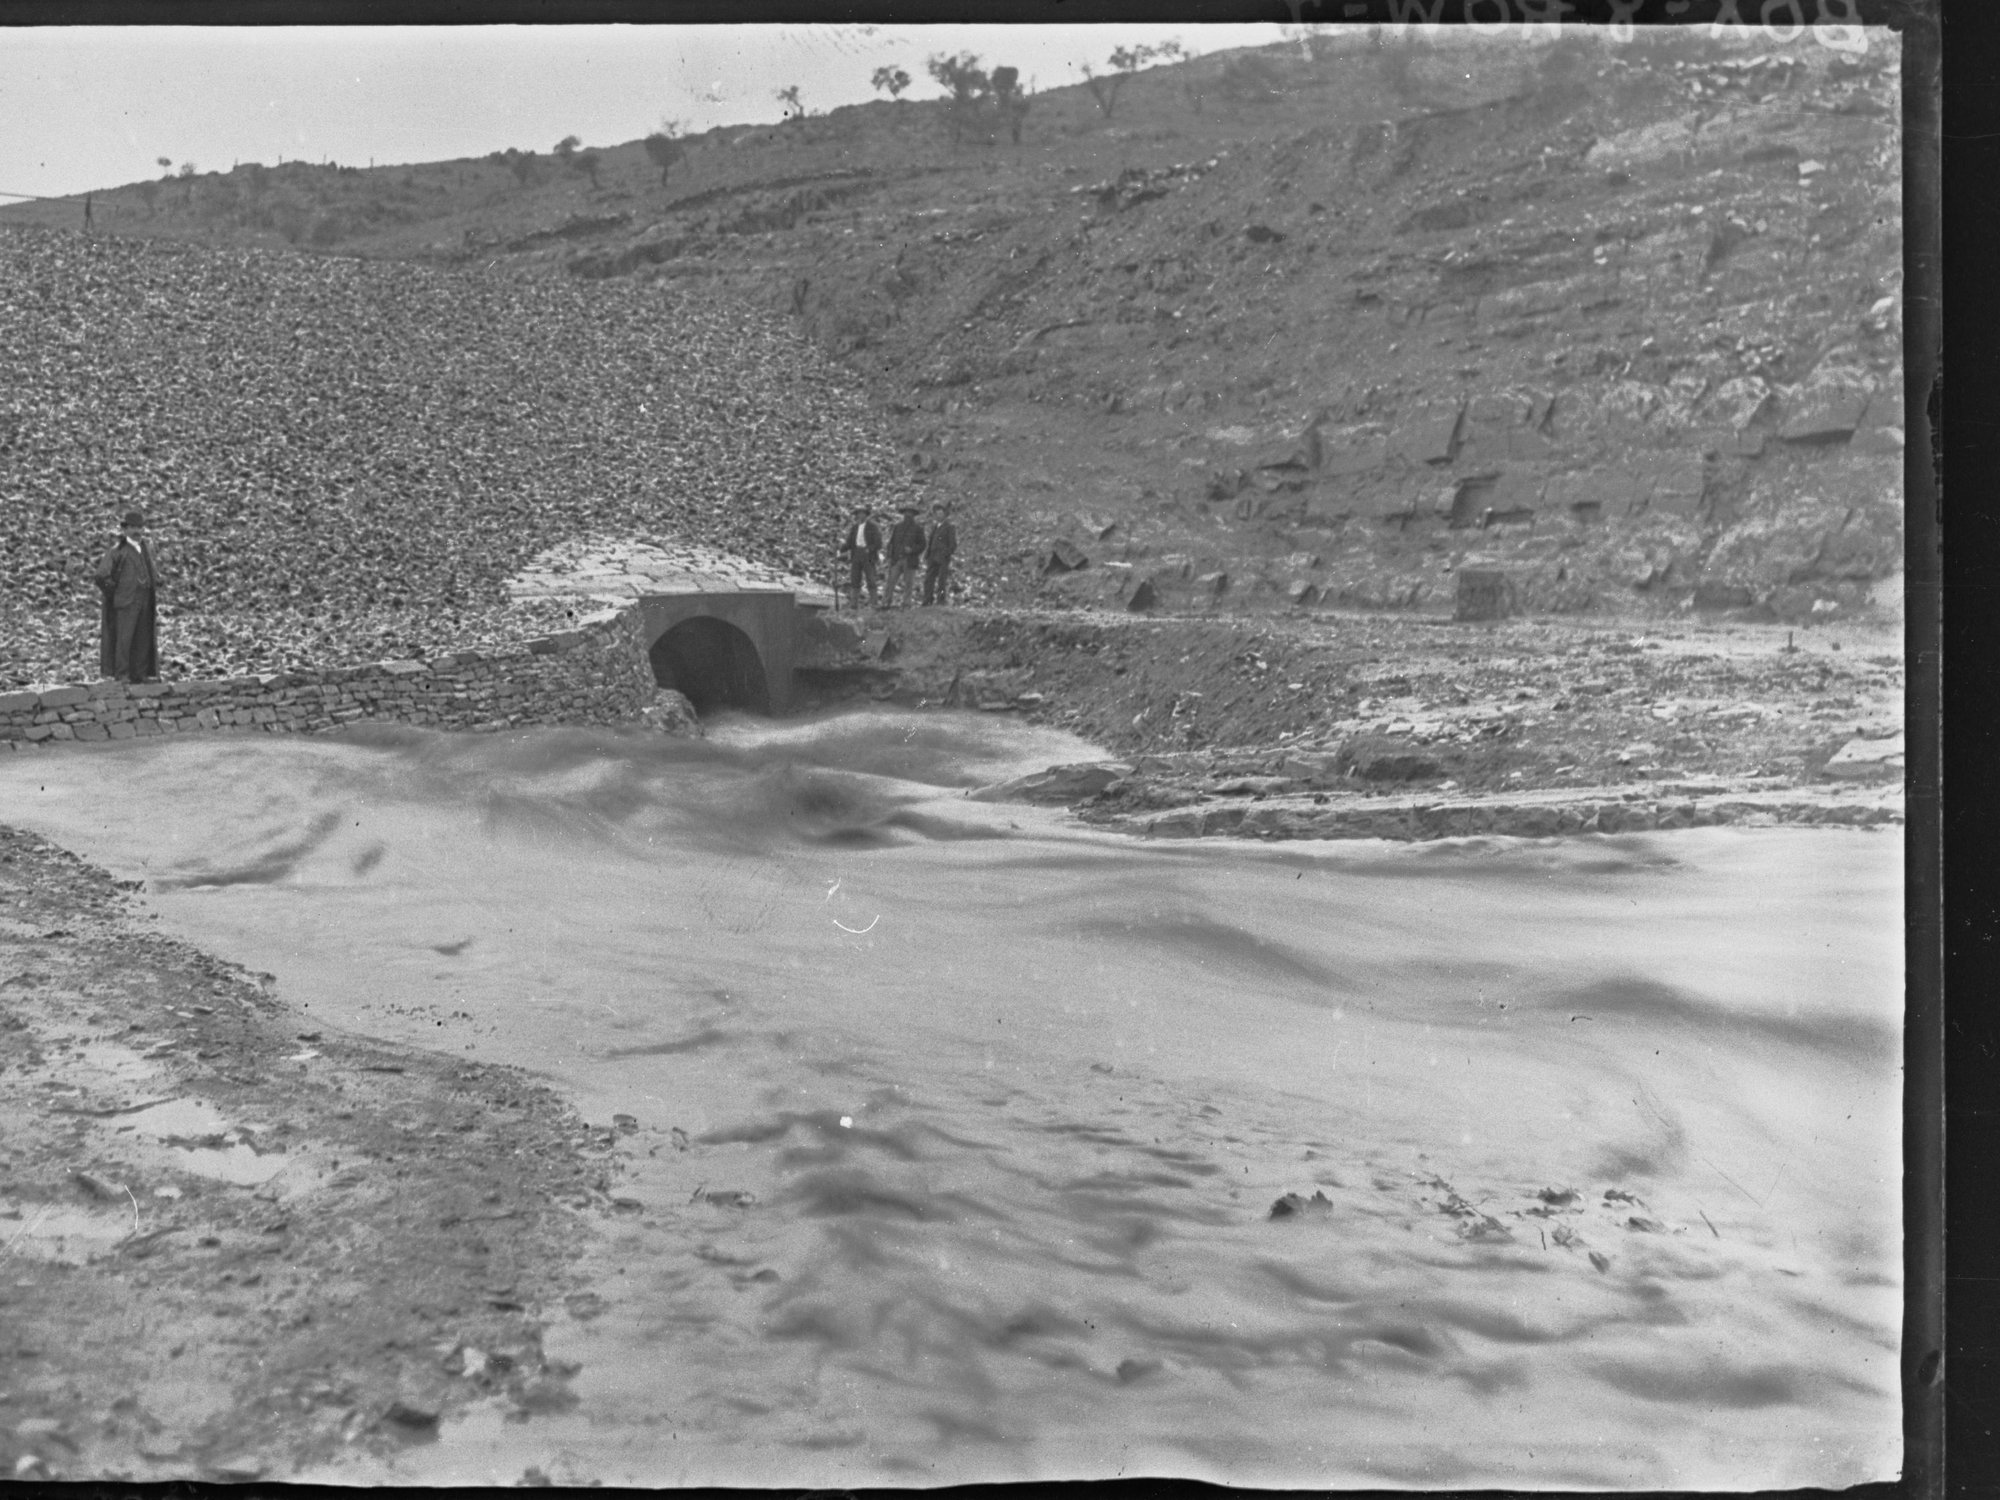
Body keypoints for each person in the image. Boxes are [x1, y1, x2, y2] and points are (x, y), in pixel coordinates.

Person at [95, 509, 161, 683]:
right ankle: (122, 674)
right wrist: (115, 592)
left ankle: (140, 674)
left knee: (142, 638)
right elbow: (101, 575)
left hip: (144, 599)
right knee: (124, 640)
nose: (136, 531)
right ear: (125, 530)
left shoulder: (145, 548)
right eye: (132, 527)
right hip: (126, 602)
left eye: (139, 527)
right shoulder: (117, 551)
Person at [883, 504, 927, 609]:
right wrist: (889, 555)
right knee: (891, 581)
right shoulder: (897, 527)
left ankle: (906, 604)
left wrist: (912, 550)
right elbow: (892, 542)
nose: (908, 515)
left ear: (913, 515)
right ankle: (886, 602)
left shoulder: (918, 528)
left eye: (910, 513)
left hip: (910, 560)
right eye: (906, 512)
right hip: (897, 559)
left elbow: (923, 545)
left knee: (908, 584)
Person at [838, 505, 883, 609]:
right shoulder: (855, 527)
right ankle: (854, 604)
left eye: (862, 513)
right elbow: (849, 542)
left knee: (871, 579)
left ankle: (874, 603)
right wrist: (840, 549)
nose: (860, 515)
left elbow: (878, 543)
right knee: (855, 579)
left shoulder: (873, 527)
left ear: (866, 514)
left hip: (868, 555)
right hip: (856, 554)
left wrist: (870, 549)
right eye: (858, 513)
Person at [922, 502, 958, 606]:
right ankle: (927, 599)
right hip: (932, 557)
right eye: (936, 514)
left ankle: (941, 600)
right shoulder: (935, 527)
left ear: (944, 515)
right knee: (928, 579)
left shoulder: (949, 527)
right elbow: (931, 541)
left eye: (940, 514)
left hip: (943, 558)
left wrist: (946, 554)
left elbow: (953, 544)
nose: (938, 516)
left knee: (942, 581)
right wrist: (927, 554)